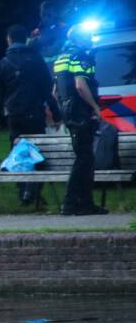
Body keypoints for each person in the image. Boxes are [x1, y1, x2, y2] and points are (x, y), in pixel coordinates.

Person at [0, 24, 61, 206]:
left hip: (14, 115)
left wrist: (1, 115)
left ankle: (23, 189)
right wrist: (56, 112)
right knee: (37, 151)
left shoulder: (3, 64)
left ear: (9, 39)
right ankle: (32, 190)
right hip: (34, 112)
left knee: (18, 150)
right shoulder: (36, 60)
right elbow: (47, 89)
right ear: (25, 39)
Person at [54, 25, 108, 215]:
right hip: (81, 112)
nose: (90, 39)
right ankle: (73, 203)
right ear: (80, 38)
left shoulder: (61, 58)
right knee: (84, 159)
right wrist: (95, 107)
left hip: (69, 112)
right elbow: (80, 85)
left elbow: (56, 91)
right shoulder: (81, 55)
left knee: (84, 158)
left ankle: (80, 203)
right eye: (87, 36)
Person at [29, 1, 68, 67]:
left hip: (61, 65)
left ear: (55, 14)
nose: (46, 17)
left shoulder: (63, 28)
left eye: (49, 15)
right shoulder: (35, 32)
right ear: (40, 14)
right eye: (44, 14)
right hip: (43, 67)